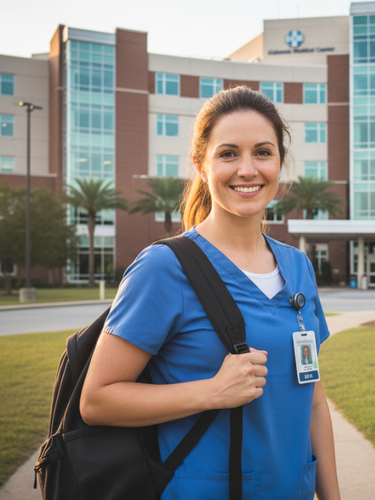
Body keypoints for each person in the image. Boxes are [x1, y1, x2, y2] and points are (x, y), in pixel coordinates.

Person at [80, 86, 340, 500]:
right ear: (201, 166)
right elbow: (97, 401)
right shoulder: (164, 268)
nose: (248, 169)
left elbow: (312, 401)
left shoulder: (298, 267)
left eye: (263, 152)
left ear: (280, 163)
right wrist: (212, 391)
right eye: (228, 153)